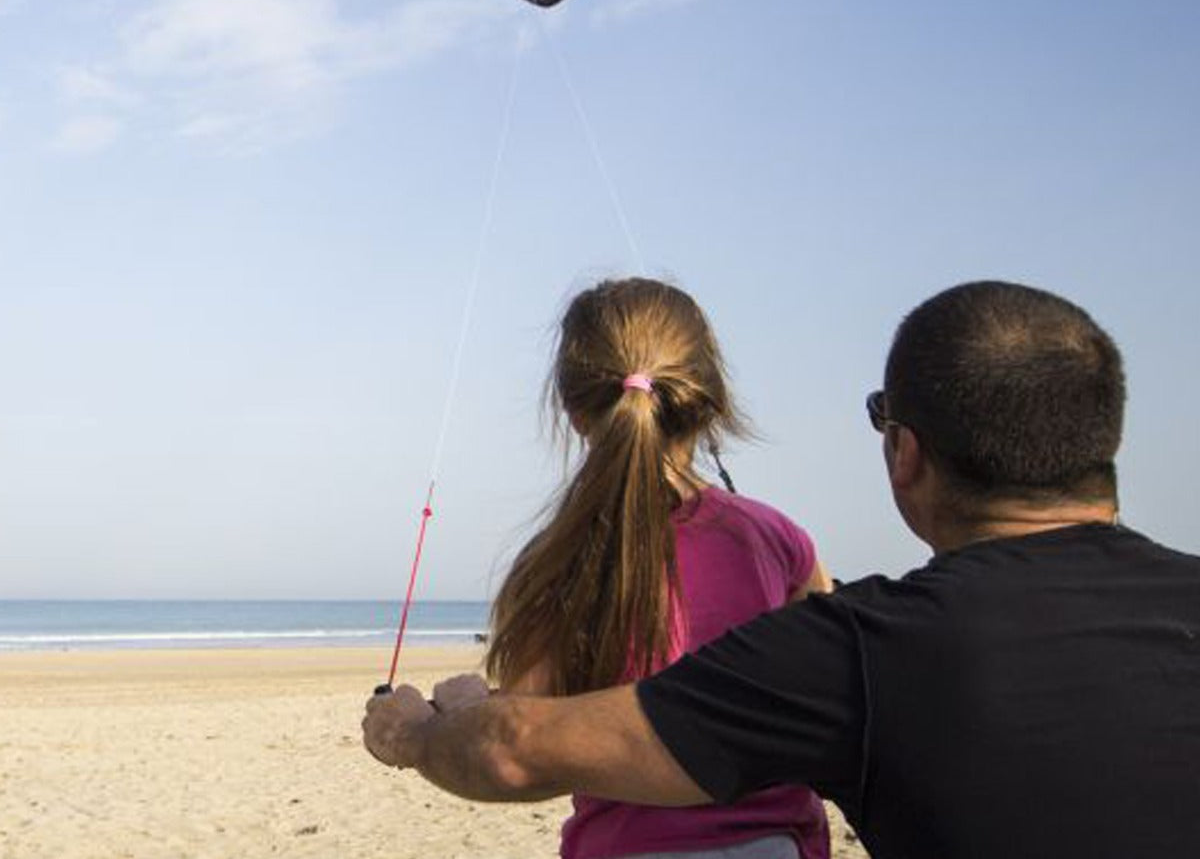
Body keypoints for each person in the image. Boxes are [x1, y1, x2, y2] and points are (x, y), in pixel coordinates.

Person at [364, 280, 1200, 859]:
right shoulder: (792, 557)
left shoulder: (861, 654)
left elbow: (519, 745)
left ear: (903, 451)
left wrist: (429, 725)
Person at [485, 277, 831, 858]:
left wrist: (450, 715)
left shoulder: (558, 559)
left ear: (573, 412)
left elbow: (526, 741)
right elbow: (820, 679)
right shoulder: (779, 537)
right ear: (708, 400)